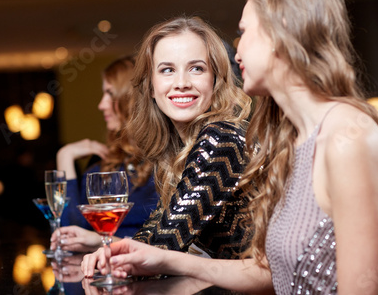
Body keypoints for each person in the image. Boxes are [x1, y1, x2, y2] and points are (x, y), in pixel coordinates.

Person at [81, 0, 378, 295]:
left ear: (279, 36)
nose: (236, 51)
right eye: (167, 70)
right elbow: (269, 271)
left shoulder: (346, 138)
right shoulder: (289, 142)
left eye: (245, 33)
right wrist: (158, 264)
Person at [81, 15, 253, 268]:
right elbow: (160, 223)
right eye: (167, 70)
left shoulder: (221, 137)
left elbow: (168, 239)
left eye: (197, 68)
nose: (181, 83)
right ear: (151, 85)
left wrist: (111, 256)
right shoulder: (180, 146)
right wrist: (113, 250)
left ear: (215, 79)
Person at [53, 56, 159, 251]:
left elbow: (169, 244)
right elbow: (70, 235)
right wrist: (65, 157)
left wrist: (102, 241)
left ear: (132, 98)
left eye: (110, 94)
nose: (101, 105)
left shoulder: (167, 165)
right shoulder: (103, 168)